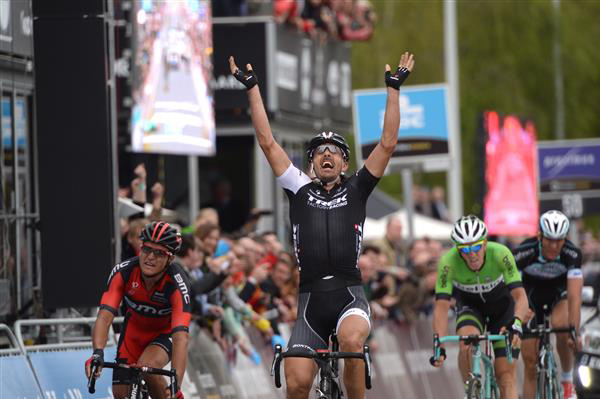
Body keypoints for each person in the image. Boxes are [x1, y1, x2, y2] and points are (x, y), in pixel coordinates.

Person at [229, 51, 414, 399]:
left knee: (352, 341)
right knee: (296, 383)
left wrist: (393, 90)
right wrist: (252, 88)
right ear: (311, 162)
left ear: (344, 163)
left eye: (334, 151)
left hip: (349, 296)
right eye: (319, 151)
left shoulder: (357, 187)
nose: (327, 154)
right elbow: (267, 142)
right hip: (310, 301)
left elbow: (388, 143)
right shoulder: (298, 188)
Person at [85, 221, 190, 399]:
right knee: (121, 395)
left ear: (170, 259)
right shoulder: (123, 272)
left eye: (159, 253)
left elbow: (181, 337)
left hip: (164, 333)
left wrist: (176, 382)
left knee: (148, 366)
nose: (150, 257)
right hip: (133, 333)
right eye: (147, 249)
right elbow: (104, 317)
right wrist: (97, 352)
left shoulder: (177, 283)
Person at [431, 215, 529, 399]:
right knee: (466, 343)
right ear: (458, 250)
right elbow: (441, 307)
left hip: (503, 309)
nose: (471, 254)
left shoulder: (501, 253)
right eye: (464, 249)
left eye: (476, 247)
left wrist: (516, 323)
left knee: (506, 376)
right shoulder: (447, 263)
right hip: (470, 306)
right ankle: (472, 389)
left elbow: (520, 296)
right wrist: (439, 343)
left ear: (485, 244)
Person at [512, 210, 582, 399]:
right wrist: (519, 311)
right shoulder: (523, 252)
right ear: (540, 235)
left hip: (558, 295)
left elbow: (575, 296)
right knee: (529, 364)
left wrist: (574, 331)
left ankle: (567, 380)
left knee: (562, 325)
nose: (553, 245)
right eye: (549, 239)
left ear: (565, 239)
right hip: (530, 299)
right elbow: (513, 289)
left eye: (559, 240)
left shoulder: (572, 254)